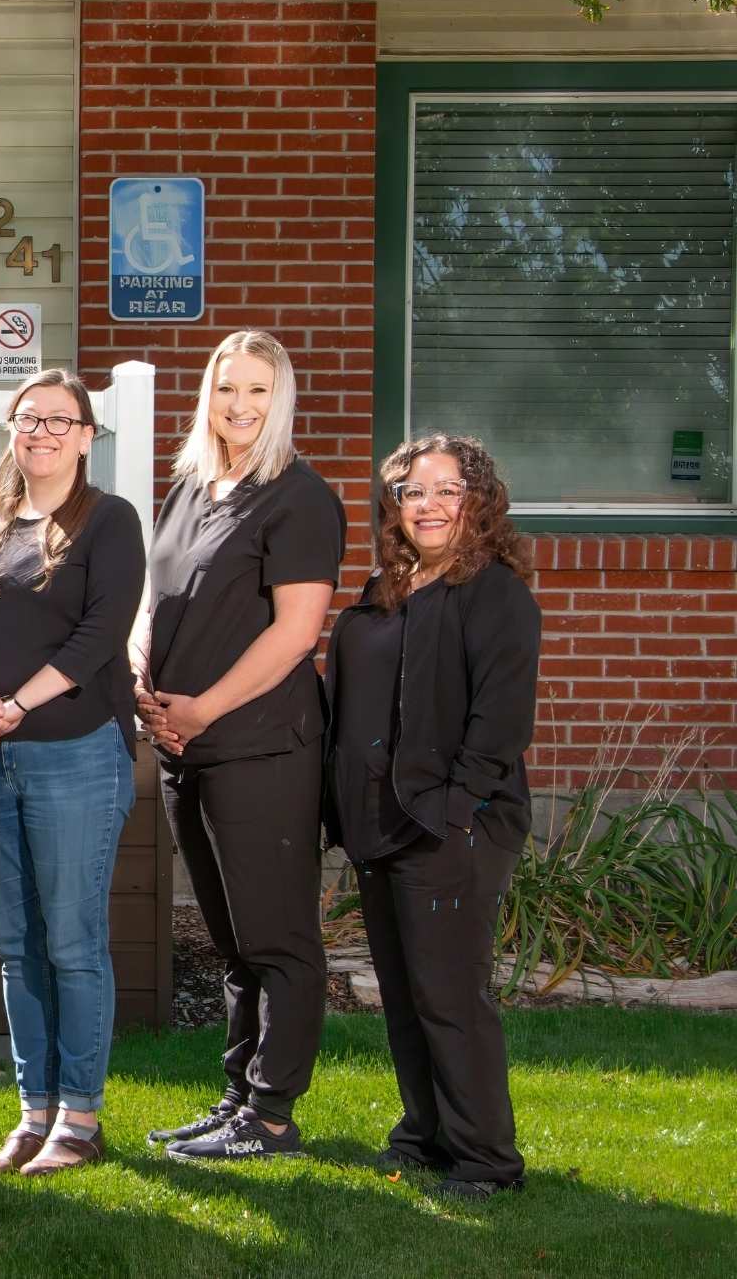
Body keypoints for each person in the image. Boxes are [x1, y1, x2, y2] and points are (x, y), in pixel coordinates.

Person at [0, 369, 146, 1176]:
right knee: (16, 942)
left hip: (75, 754)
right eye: (30, 419)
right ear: (11, 431)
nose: (44, 432)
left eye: (62, 421)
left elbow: (98, 636)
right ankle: (35, 1111)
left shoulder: (108, 522)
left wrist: (12, 704)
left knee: (73, 939)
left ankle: (80, 1118)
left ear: (87, 436)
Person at [136, 329, 347, 1163]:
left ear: (280, 397)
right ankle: (238, 1096)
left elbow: (297, 633)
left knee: (278, 938)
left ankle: (272, 1115)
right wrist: (141, 681)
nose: (240, 405)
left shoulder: (298, 498)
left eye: (258, 390)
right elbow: (155, 601)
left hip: (261, 747)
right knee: (231, 940)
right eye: (228, 388)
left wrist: (203, 708)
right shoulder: (191, 485)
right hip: (186, 745)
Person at [325, 434, 537, 1199]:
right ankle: (427, 1133)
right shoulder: (384, 590)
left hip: (454, 824)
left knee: (450, 994)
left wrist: (452, 811)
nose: (430, 505)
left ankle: (486, 1159)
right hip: (382, 822)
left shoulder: (496, 593)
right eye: (415, 491)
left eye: (448, 489)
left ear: (477, 501)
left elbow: (502, 720)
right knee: (406, 994)